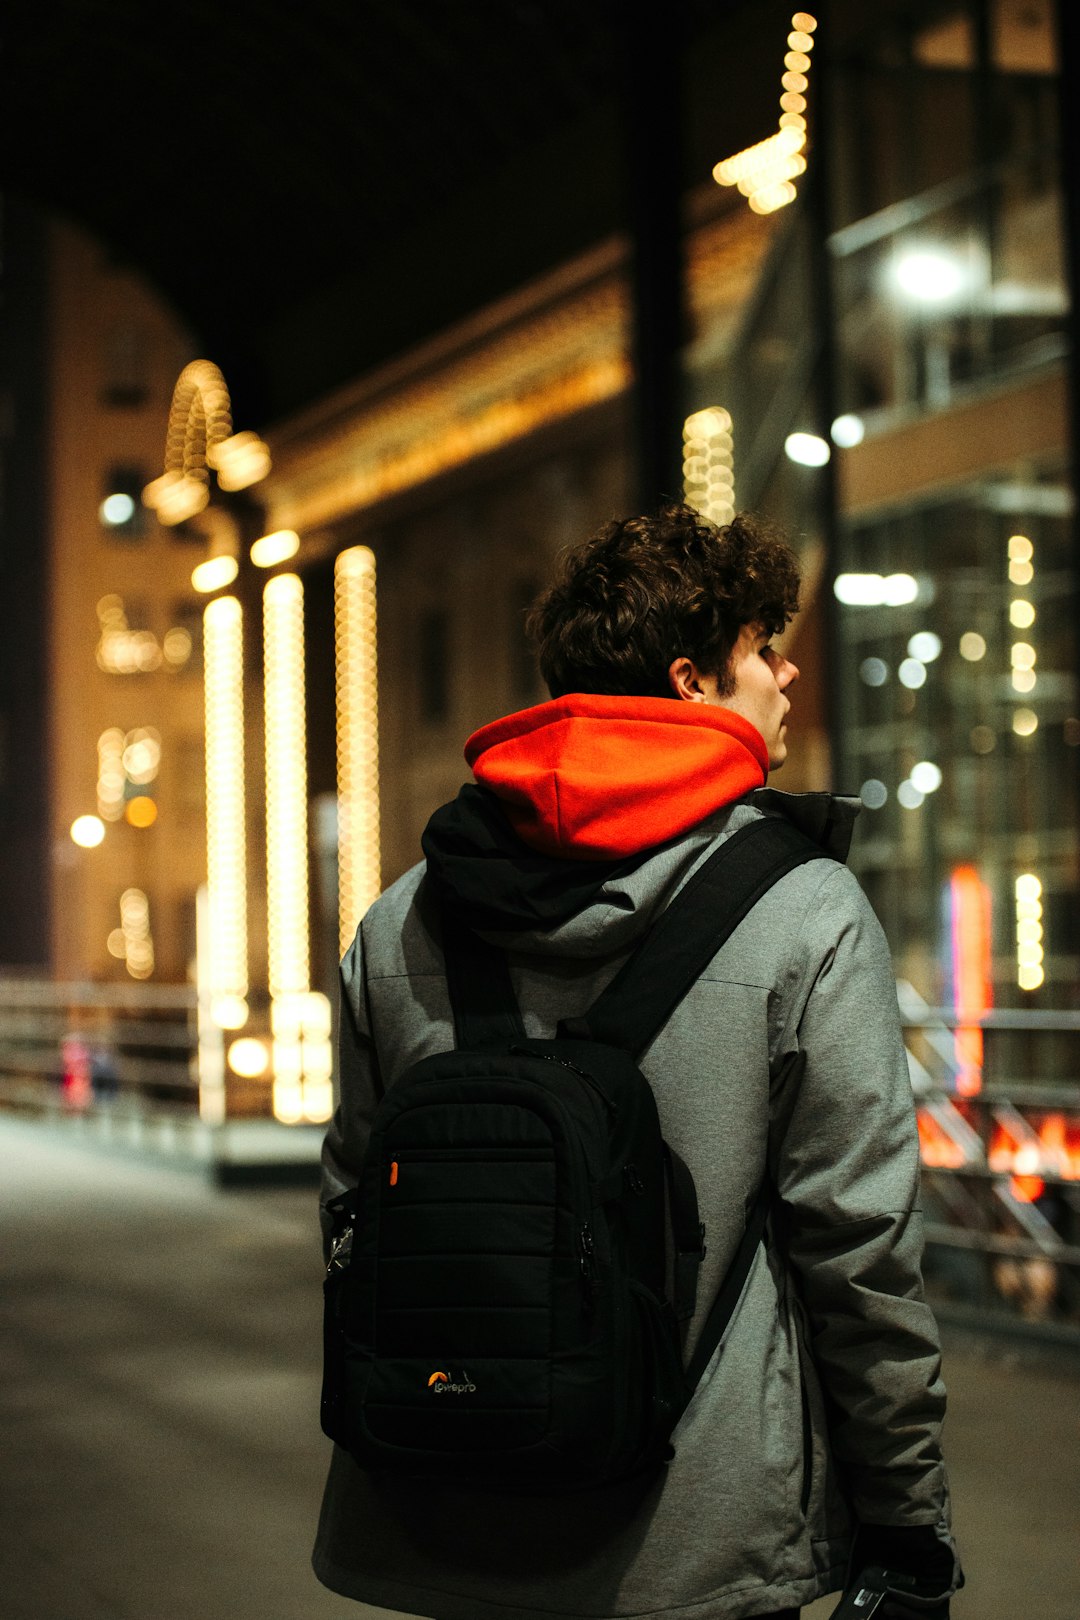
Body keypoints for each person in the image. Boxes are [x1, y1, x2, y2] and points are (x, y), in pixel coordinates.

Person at [314, 505, 961, 1620]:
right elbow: (860, 1250)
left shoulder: (402, 918)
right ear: (692, 680)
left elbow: (349, 1212)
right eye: (763, 644)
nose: (789, 668)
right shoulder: (805, 910)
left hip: (436, 1514)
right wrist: (906, 1523)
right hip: (694, 1539)